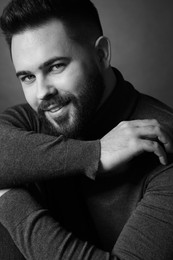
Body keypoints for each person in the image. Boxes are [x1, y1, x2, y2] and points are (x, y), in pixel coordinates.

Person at [0, 0, 173, 259]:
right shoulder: (42, 116)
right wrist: (95, 154)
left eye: (56, 66)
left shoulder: (164, 148)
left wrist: (10, 201)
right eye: (28, 77)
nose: (42, 92)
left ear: (101, 54)